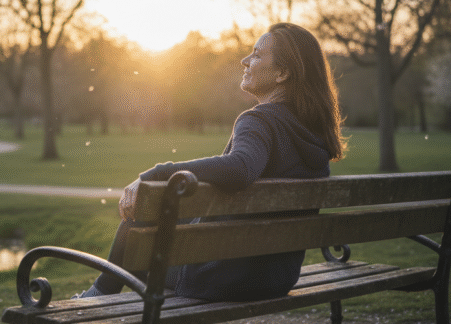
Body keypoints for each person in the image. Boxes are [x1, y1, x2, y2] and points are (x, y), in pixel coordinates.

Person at [74, 22, 345, 301]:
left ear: (282, 73)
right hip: (276, 278)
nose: (245, 61)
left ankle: (93, 298)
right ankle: (96, 294)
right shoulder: (314, 133)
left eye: (256, 55)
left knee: (138, 217)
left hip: (221, 279)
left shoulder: (259, 120)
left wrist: (157, 174)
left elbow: (241, 168)